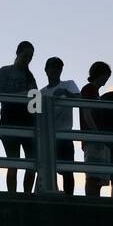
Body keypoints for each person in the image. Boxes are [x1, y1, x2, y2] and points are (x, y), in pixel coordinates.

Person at [0, 41, 38, 194]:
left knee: (32, 163)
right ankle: (12, 194)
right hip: (9, 120)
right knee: (13, 162)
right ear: (18, 53)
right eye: (25, 55)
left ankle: (27, 194)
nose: (28, 59)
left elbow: (35, 102)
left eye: (30, 57)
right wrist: (23, 95)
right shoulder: (4, 72)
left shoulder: (30, 76)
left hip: (28, 122)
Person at [40, 57, 82, 194]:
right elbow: (33, 115)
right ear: (46, 70)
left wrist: (65, 93)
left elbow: (80, 99)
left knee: (67, 171)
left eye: (58, 67)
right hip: (47, 136)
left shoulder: (68, 84)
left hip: (64, 135)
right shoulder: (41, 93)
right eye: (52, 67)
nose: (55, 70)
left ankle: (69, 198)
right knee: (46, 169)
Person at [79, 61, 112, 197]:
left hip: (96, 137)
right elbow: (87, 113)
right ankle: (91, 200)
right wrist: (96, 134)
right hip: (93, 138)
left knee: (98, 176)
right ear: (100, 74)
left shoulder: (95, 92)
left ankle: (95, 199)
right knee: (93, 175)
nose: (107, 79)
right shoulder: (89, 89)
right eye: (106, 75)